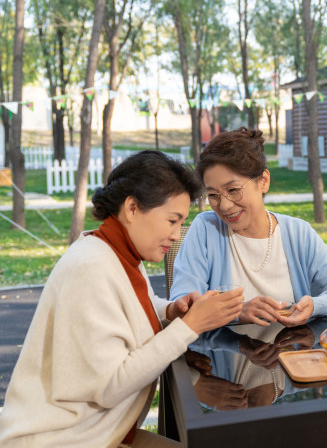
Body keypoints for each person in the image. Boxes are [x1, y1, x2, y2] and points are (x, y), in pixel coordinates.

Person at [0, 151, 244, 447]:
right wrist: (190, 327)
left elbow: (126, 305)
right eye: (172, 220)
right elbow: (111, 386)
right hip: (63, 439)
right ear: (132, 208)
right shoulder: (90, 268)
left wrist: (170, 310)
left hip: (96, 433)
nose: (176, 234)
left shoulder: (112, 249)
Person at [169, 127, 327, 327]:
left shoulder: (298, 233)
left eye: (233, 190)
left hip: (289, 354)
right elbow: (182, 304)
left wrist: (315, 305)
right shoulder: (206, 229)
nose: (224, 205)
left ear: (263, 181)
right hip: (223, 354)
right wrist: (238, 311)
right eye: (213, 195)